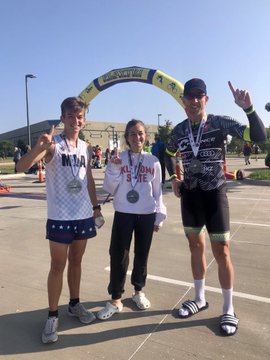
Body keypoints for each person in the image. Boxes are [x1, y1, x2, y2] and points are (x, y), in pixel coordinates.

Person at [165, 78, 266, 336]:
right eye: (190, 97)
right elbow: (168, 153)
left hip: (215, 196)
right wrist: (175, 177)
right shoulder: (178, 131)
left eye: (199, 96)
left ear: (206, 100)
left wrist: (249, 108)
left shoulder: (220, 123)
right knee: (195, 247)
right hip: (191, 197)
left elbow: (259, 136)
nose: (194, 100)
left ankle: (228, 308)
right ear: (184, 101)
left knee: (221, 251)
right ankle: (199, 298)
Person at [16, 97, 104, 344]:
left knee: (77, 262)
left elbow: (87, 180)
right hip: (60, 216)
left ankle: (75, 305)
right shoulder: (52, 145)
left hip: (84, 214)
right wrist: (37, 148)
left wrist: (96, 207)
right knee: (58, 266)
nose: (75, 120)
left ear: (84, 120)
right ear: (63, 118)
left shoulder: (86, 148)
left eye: (80, 116)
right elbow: (21, 168)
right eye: (70, 116)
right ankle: (52, 315)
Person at [97, 119, 167, 320]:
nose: (137, 137)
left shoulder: (153, 160)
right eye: (133, 134)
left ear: (146, 136)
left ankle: (138, 291)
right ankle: (116, 298)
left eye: (141, 133)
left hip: (146, 213)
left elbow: (157, 191)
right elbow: (109, 188)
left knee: (142, 254)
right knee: (118, 255)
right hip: (124, 212)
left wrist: (159, 216)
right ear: (127, 137)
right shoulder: (119, 158)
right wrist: (114, 168)